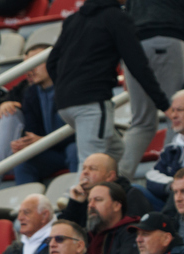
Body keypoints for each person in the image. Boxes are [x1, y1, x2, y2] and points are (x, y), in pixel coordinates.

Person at [45, 0, 170, 167]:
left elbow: (51, 63)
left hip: (65, 105)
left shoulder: (72, 19)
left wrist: (65, 87)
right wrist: (163, 103)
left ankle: (116, 190)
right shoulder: (117, 18)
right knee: (90, 168)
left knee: (116, 152)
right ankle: (75, 194)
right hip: (91, 102)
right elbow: (137, 65)